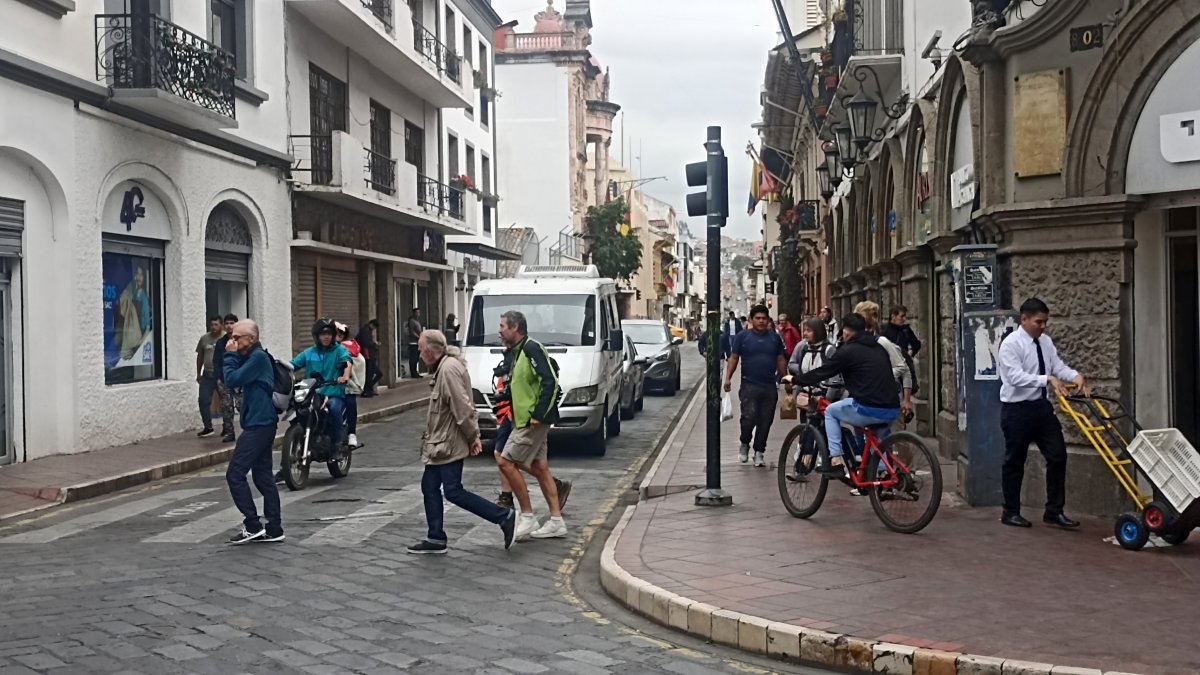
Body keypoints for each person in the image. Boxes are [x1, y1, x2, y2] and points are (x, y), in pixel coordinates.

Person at [407, 329, 516, 554]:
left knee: (453, 491)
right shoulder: (445, 367)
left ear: (431, 351)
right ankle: (435, 537)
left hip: (447, 442)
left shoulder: (448, 370)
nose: (419, 354)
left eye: (421, 349)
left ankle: (502, 516)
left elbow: (463, 408)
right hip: (441, 442)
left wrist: (473, 437)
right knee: (430, 486)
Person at [997, 298, 1088, 530]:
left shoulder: (1045, 342)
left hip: (1041, 408)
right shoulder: (1011, 344)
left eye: (1045, 321)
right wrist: (1046, 379)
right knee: (1015, 461)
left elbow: (1057, 366)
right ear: (1024, 319)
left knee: (1058, 456)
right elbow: (1015, 377)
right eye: (1039, 322)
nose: (1043, 326)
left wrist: (1075, 376)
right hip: (1017, 410)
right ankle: (1010, 512)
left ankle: (1054, 511)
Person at [789, 314, 900, 477]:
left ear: (846, 332)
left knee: (831, 411)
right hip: (891, 407)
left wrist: (796, 379)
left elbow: (824, 371)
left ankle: (836, 460)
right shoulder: (878, 347)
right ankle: (884, 474)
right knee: (878, 437)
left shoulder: (847, 351)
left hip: (867, 407)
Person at [495, 310, 568, 540]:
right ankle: (556, 521)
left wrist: (538, 413)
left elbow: (550, 381)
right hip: (523, 419)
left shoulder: (531, 349)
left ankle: (527, 516)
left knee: (505, 461)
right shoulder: (517, 351)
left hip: (531, 421)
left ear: (515, 327)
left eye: (503, 326)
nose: (499, 331)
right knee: (540, 467)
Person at [222, 319, 284, 544]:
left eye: (237, 337)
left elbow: (231, 379)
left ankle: (252, 525)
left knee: (235, 474)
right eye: (232, 337)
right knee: (263, 476)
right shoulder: (253, 357)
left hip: (259, 425)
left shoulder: (258, 358)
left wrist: (229, 356)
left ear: (252, 338)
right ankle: (274, 528)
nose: (233, 341)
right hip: (261, 422)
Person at [490, 345, 571, 513]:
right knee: (530, 462)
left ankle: (519, 506)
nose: (499, 334)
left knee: (506, 457)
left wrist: (537, 414)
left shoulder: (528, 352)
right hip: (512, 412)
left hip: (521, 414)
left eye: (502, 330)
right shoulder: (514, 353)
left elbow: (545, 384)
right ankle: (552, 501)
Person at [724, 305, 789, 468]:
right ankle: (745, 442)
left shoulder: (774, 338)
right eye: (757, 318)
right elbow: (734, 357)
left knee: (765, 421)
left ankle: (759, 451)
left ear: (768, 320)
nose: (761, 321)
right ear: (751, 320)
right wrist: (727, 378)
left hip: (769, 385)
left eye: (764, 318)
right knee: (748, 417)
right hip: (749, 385)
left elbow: (780, 359)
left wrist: (786, 379)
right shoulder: (742, 337)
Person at [291, 318, 353, 459]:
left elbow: (347, 362)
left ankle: (337, 444)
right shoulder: (310, 352)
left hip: (333, 393)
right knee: (297, 409)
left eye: (329, 333)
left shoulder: (339, 350)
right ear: (317, 336)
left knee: (334, 408)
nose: (326, 337)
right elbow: (293, 365)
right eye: (322, 334)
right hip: (312, 393)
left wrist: (345, 376)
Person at [854, 301, 913, 420]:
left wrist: (906, 400)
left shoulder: (881, 339)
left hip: (887, 395)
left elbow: (904, 369)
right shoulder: (857, 341)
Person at [788, 317, 843, 402]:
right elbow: (802, 376)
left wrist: (826, 400)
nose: (805, 333)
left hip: (822, 400)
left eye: (809, 331)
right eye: (804, 330)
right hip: (804, 399)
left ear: (818, 332)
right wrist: (796, 397)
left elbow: (835, 380)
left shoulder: (829, 350)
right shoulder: (804, 348)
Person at [336, 322, 366, 449]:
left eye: (340, 334)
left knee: (350, 401)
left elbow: (348, 363)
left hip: (344, 384)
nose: (337, 337)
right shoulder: (320, 349)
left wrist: (345, 376)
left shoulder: (344, 349)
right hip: (325, 385)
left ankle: (351, 433)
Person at [881, 304, 922, 397]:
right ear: (893, 316)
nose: (904, 319)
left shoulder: (905, 330)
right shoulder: (884, 329)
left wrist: (911, 352)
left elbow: (916, 344)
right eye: (902, 316)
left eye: (905, 316)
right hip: (889, 366)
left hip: (903, 366)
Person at [195, 316, 224, 438]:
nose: (213, 327)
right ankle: (208, 427)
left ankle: (228, 428)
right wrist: (198, 373)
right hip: (207, 374)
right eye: (212, 324)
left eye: (216, 324)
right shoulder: (204, 339)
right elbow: (200, 356)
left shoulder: (225, 338)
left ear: (221, 325)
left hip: (221, 375)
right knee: (203, 399)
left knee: (225, 401)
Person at [213, 314, 240, 442]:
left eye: (232, 323)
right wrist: (218, 378)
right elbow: (216, 361)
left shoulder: (241, 340)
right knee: (226, 407)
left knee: (242, 406)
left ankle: (247, 431)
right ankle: (230, 432)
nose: (229, 326)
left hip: (239, 378)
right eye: (227, 323)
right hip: (225, 379)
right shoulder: (220, 343)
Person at [356, 319, 382, 397]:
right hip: (367, 356)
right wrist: (374, 343)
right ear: (371, 324)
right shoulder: (365, 331)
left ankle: (369, 389)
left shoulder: (367, 330)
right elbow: (365, 343)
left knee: (376, 374)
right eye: (374, 327)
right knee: (370, 374)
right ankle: (367, 391)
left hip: (370, 355)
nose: (374, 329)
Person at [407, 309, 424, 378]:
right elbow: (411, 331)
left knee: (416, 358)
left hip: (417, 342)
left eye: (419, 312)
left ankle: (415, 371)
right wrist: (418, 337)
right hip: (413, 342)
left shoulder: (417, 321)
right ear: (414, 313)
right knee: (413, 358)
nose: (418, 314)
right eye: (417, 312)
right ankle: (413, 372)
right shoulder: (412, 321)